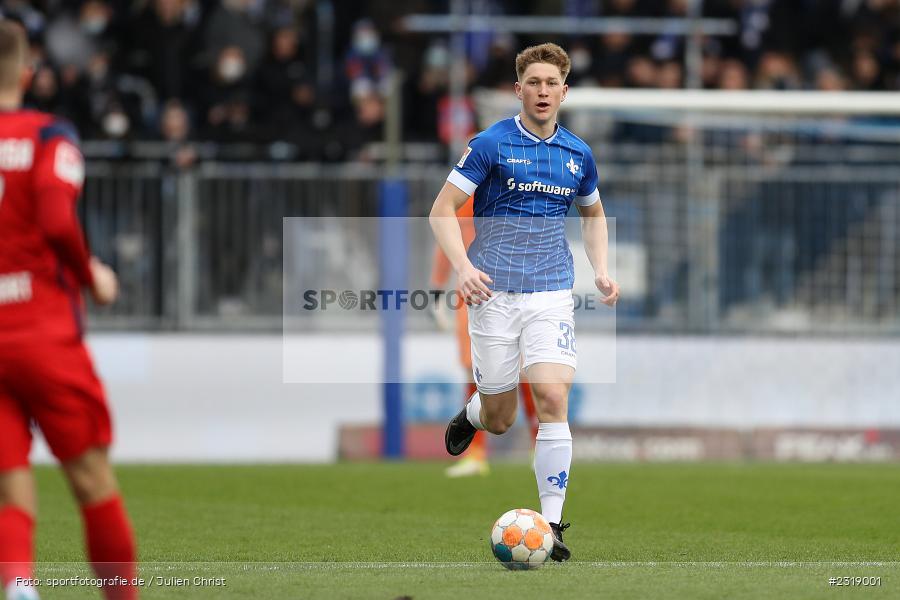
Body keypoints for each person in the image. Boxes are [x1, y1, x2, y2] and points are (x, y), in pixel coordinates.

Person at [429, 42, 619, 562]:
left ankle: (553, 524)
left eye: (551, 83)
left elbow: (594, 214)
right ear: (518, 90)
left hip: (552, 293)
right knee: (501, 417)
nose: (542, 91)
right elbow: (441, 210)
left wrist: (601, 269)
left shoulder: (578, 153)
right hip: (493, 295)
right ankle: (472, 414)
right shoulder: (490, 144)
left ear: (564, 90)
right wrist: (465, 269)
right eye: (532, 83)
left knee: (554, 398)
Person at [0, 21, 137, 600]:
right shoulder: (49, 135)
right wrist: (93, 278)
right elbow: (57, 220)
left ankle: (19, 586)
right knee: (90, 478)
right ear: (28, 73)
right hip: (42, 331)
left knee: (8, 482)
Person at [430, 195, 539, 479]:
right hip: (472, 290)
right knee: (473, 368)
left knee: (526, 369)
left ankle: (540, 448)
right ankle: (476, 454)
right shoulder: (463, 190)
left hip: (515, 288)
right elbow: (445, 238)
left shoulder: (514, 185)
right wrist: (437, 290)